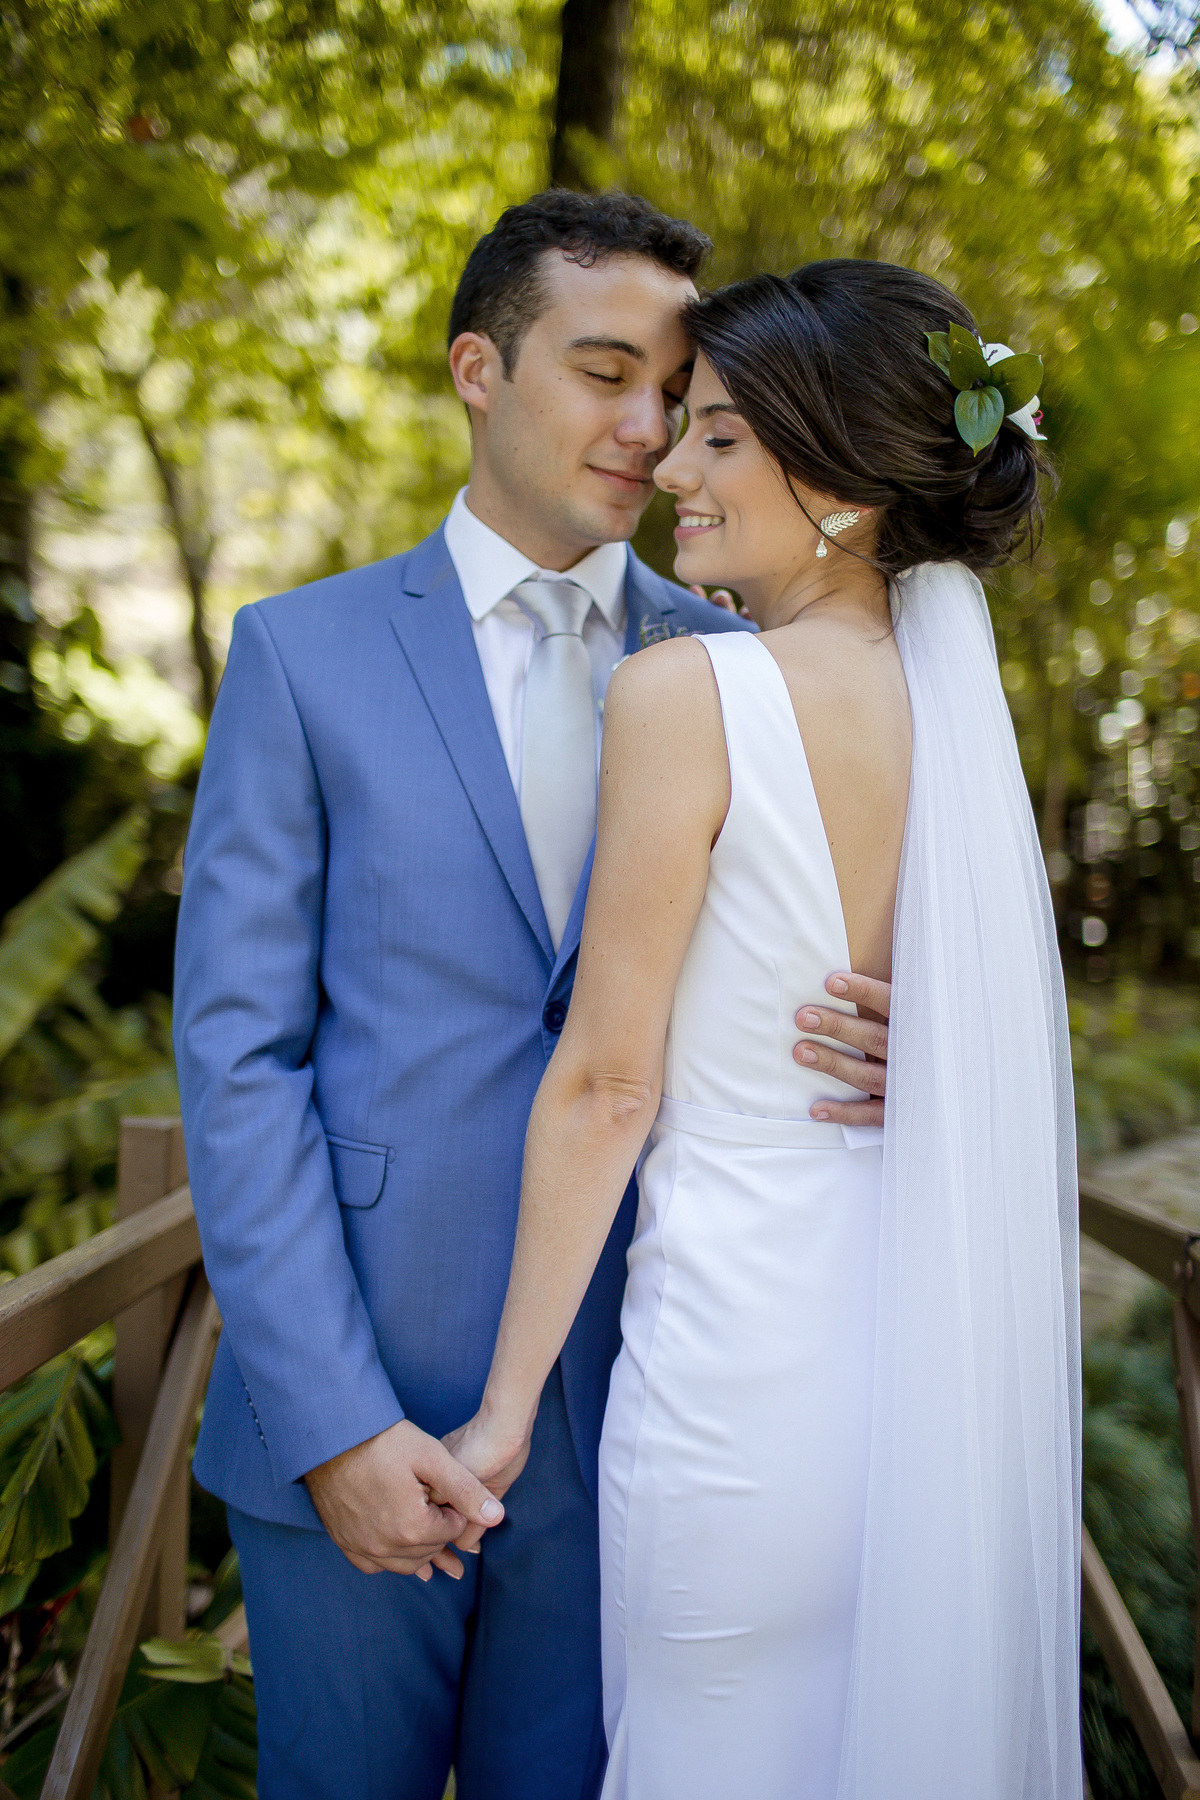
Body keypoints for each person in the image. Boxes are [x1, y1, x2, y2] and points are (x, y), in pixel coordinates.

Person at [172, 194, 891, 1800]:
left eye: (677, 393)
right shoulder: (300, 655)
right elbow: (237, 1059)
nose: (649, 431)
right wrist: (334, 1421)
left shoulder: (741, 665)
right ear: (478, 369)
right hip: (361, 1387)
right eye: (605, 373)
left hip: (650, 1395)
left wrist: (917, 1041)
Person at [448, 261, 1082, 1799]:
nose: (670, 467)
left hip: (737, 1374)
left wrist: (503, 1411)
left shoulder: (688, 694)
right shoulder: (954, 717)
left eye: (719, 436)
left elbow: (608, 1086)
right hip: (928, 1385)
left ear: (846, 487)